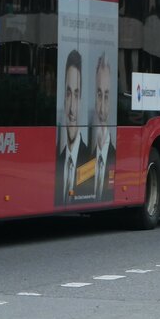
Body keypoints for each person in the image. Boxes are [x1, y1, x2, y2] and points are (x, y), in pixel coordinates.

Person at [56, 48, 92, 204]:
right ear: (63, 98)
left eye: (76, 95)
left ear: (82, 101)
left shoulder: (90, 158)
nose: (71, 108)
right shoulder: (59, 158)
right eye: (68, 93)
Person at [90, 52, 116, 202]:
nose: (102, 107)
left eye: (106, 96)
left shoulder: (113, 151)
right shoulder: (84, 152)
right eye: (99, 94)